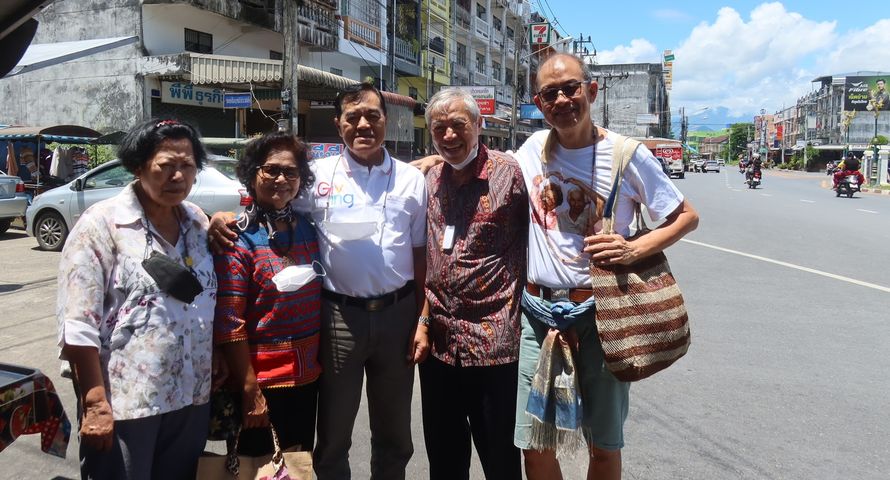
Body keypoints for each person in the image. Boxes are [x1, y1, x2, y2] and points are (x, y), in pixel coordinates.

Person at [209, 82, 428, 480]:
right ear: (339, 123)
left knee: (395, 431)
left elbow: (419, 254)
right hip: (338, 317)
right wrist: (218, 217)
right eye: (353, 117)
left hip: (397, 314)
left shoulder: (412, 180)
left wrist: (421, 318)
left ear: (387, 120)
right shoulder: (316, 177)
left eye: (373, 116)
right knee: (333, 431)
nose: (363, 125)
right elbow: (270, 199)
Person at [512, 53, 699, 480]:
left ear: (591, 91)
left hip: (604, 315)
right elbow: (485, 165)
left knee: (602, 444)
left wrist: (634, 249)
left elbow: (686, 216)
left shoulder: (626, 154)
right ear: (539, 104)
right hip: (537, 315)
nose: (562, 100)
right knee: (534, 443)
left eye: (570, 88)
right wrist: (429, 164)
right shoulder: (531, 149)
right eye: (550, 94)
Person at [57, 118, 218, 479]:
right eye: (166, 165)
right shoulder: (101, 224)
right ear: (138, 166)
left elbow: (206, 299)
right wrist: (95, 402)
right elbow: (77, 322)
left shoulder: (196, 221)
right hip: (127, 402)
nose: (178, 176)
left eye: (188, 166)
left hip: (191, 394)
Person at [417, 87, 528, 480]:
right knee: (444, 460)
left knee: (500, 460)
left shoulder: (512, 174)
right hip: (440, 347)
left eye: (458, 125)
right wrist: (423, 322)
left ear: (478, 125)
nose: (449, 135)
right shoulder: (429, 179)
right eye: (439, 128)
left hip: (495, 346)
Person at [213, 132, 322, 457]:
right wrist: (250, 389)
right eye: (271, 170)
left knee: (298, 464)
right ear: (252, 174)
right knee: (257, 468)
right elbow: (229, 320)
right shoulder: (237, 237)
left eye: (290, 172)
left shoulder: (308, 227)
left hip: (307, 377)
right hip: (260, 381)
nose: (281, 179)